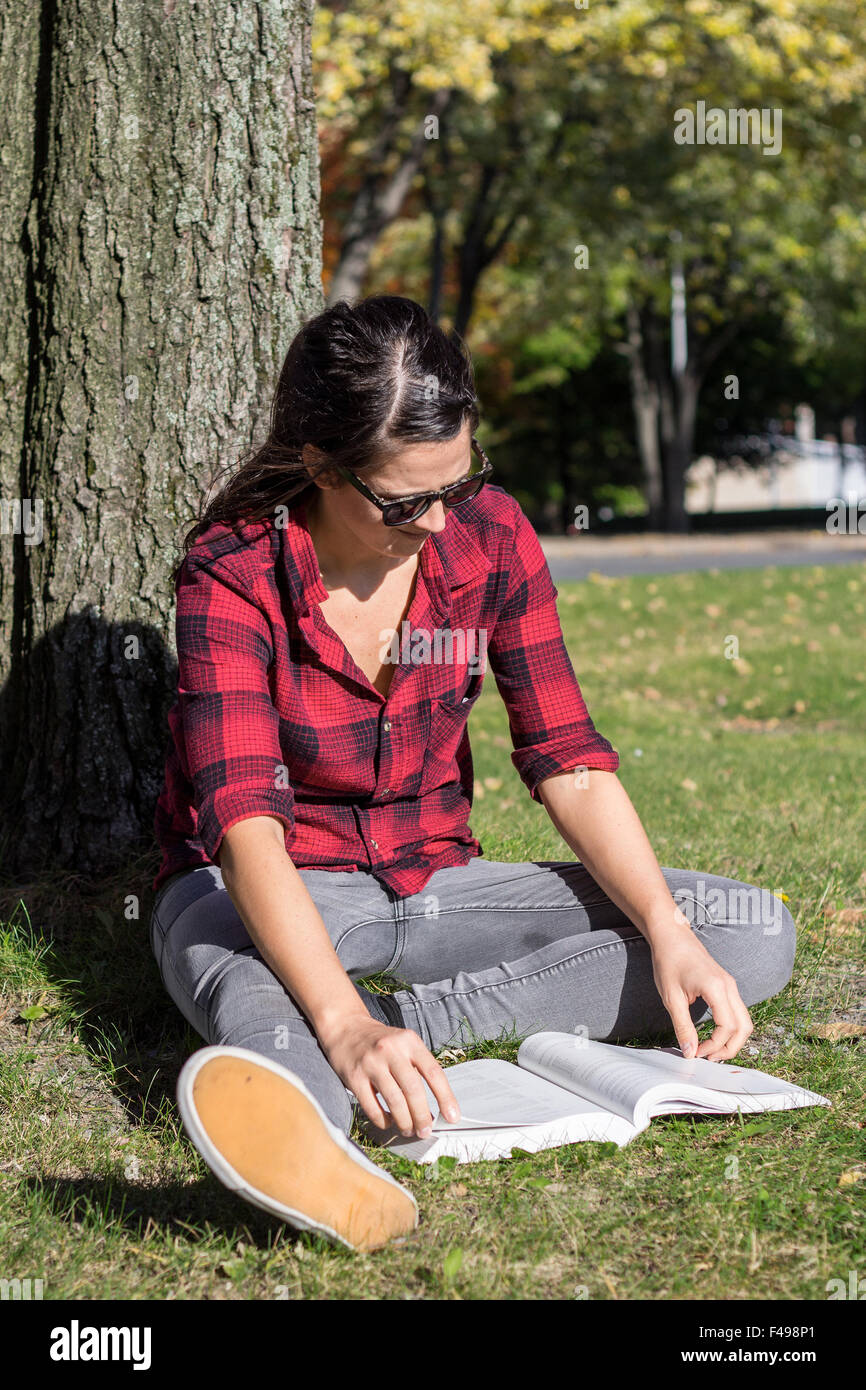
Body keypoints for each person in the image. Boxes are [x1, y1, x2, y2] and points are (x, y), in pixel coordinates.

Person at [149, 294, 796, 1253]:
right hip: (265, 891)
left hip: (442, 887)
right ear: (323, 466)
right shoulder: (231, 571)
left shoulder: (487, 536)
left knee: (747, 937)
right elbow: (244, 824)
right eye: (407, 502)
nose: (440, 520)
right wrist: (337, 1017)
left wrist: (666, 929)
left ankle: (401, 1026)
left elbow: (567, 755)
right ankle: (314, 1123)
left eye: (459, 482)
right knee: (252, 982)